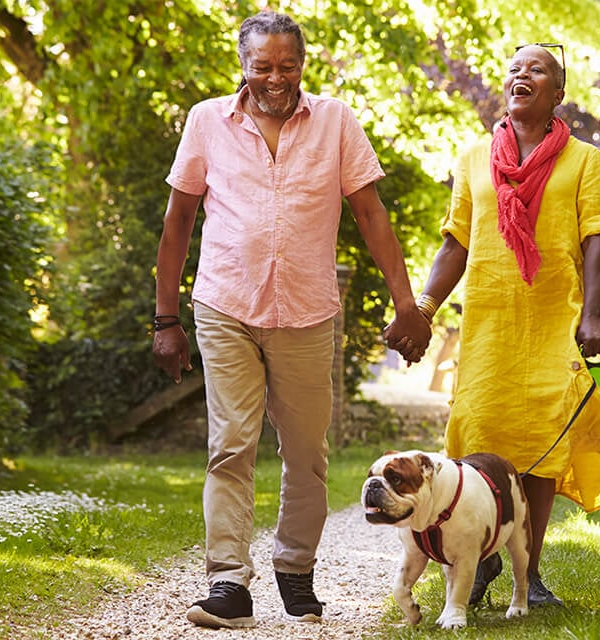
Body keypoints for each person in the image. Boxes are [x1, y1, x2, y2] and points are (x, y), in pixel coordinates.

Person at [151, 10, 431, 629]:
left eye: (288, 65)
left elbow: (370, 212)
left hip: (306, 312)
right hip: (225, 305)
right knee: (230, 447)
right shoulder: (206, 122)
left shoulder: (335, 121)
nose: (276, 78)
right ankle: (228, 582)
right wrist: (164, 319)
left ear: (303, 64)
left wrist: (405, 302)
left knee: (306, 454)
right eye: (263, 67)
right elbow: (177, 224)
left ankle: (295, 568)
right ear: (243, 67)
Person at [404, 43, 600, 607]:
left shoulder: (585, 161)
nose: (521, 74)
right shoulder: (473, 159)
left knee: (540, 451)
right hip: (488, 323)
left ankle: (527, 577)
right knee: (478, 438)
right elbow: (456, 243)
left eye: (536, 68)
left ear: (558, 92)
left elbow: (596, 240)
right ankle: (478, 561)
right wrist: (424, 307)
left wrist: (592, 315)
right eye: (514, 68)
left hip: (553, 321)